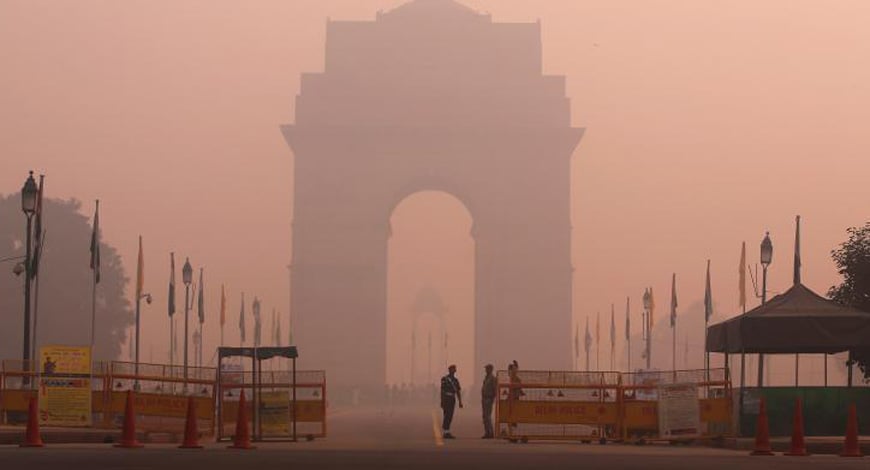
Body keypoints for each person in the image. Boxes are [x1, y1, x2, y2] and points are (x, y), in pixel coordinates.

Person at [440, 364, 463, 439]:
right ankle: (446, 431)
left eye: (454, 369)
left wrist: (460, 401)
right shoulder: (444, 379)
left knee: (450, 415)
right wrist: (442, 401)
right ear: (449, 370)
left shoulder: (456, 380)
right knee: (446, 415)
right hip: (446, 398)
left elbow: (458, 392)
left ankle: (446, 431)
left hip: (452, 399)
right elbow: (442, 391)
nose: (453, 370)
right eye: (452, 369)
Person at [481, 364, 497, 439]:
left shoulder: (493, 378)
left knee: (487, 416)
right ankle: (487, 432)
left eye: (487, 368)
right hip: (484, 399)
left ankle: (490, 433)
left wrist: (492, 399)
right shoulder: (486, 378)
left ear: (490, 369)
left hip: (488, 399)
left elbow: (495, 390)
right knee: (484, 416)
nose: (485, 370)